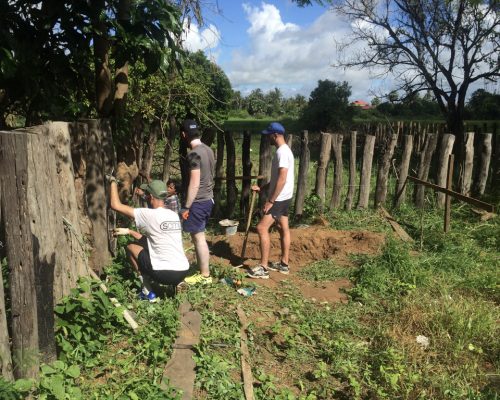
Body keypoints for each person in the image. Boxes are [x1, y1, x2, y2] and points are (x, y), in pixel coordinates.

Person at [109, 177, 190, 300]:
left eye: (147, 194)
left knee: (131, 247)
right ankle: (177, 282)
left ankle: (147, 292)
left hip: (163, 273)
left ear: (151, 197)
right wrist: (129, 231)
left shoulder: (148, 214)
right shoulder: (173, 215)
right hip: (183, 270)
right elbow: (149, 242)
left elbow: (115, 205)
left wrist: (113, 182)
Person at [247, 122, 294, 279]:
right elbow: (277, 179)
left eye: (268, 135)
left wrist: (271, 201)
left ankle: (263, 268)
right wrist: (264, 188)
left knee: (261, 228)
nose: (267, 137)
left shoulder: (282, 152)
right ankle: (284, 264)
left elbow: (282, 177)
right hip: (285, 196)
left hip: (279, 198)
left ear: (275, 135)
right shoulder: (284, 151)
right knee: (283, 228)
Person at [179, 119, 215, 285]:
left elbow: (194, 182)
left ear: (184, 134)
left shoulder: (193, 154)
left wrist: (186, 206)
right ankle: (204, 271)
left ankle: (205, 275)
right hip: (208, 199)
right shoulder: (208, 150)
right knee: (200, 236)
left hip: (198, 201)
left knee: (198, 238)